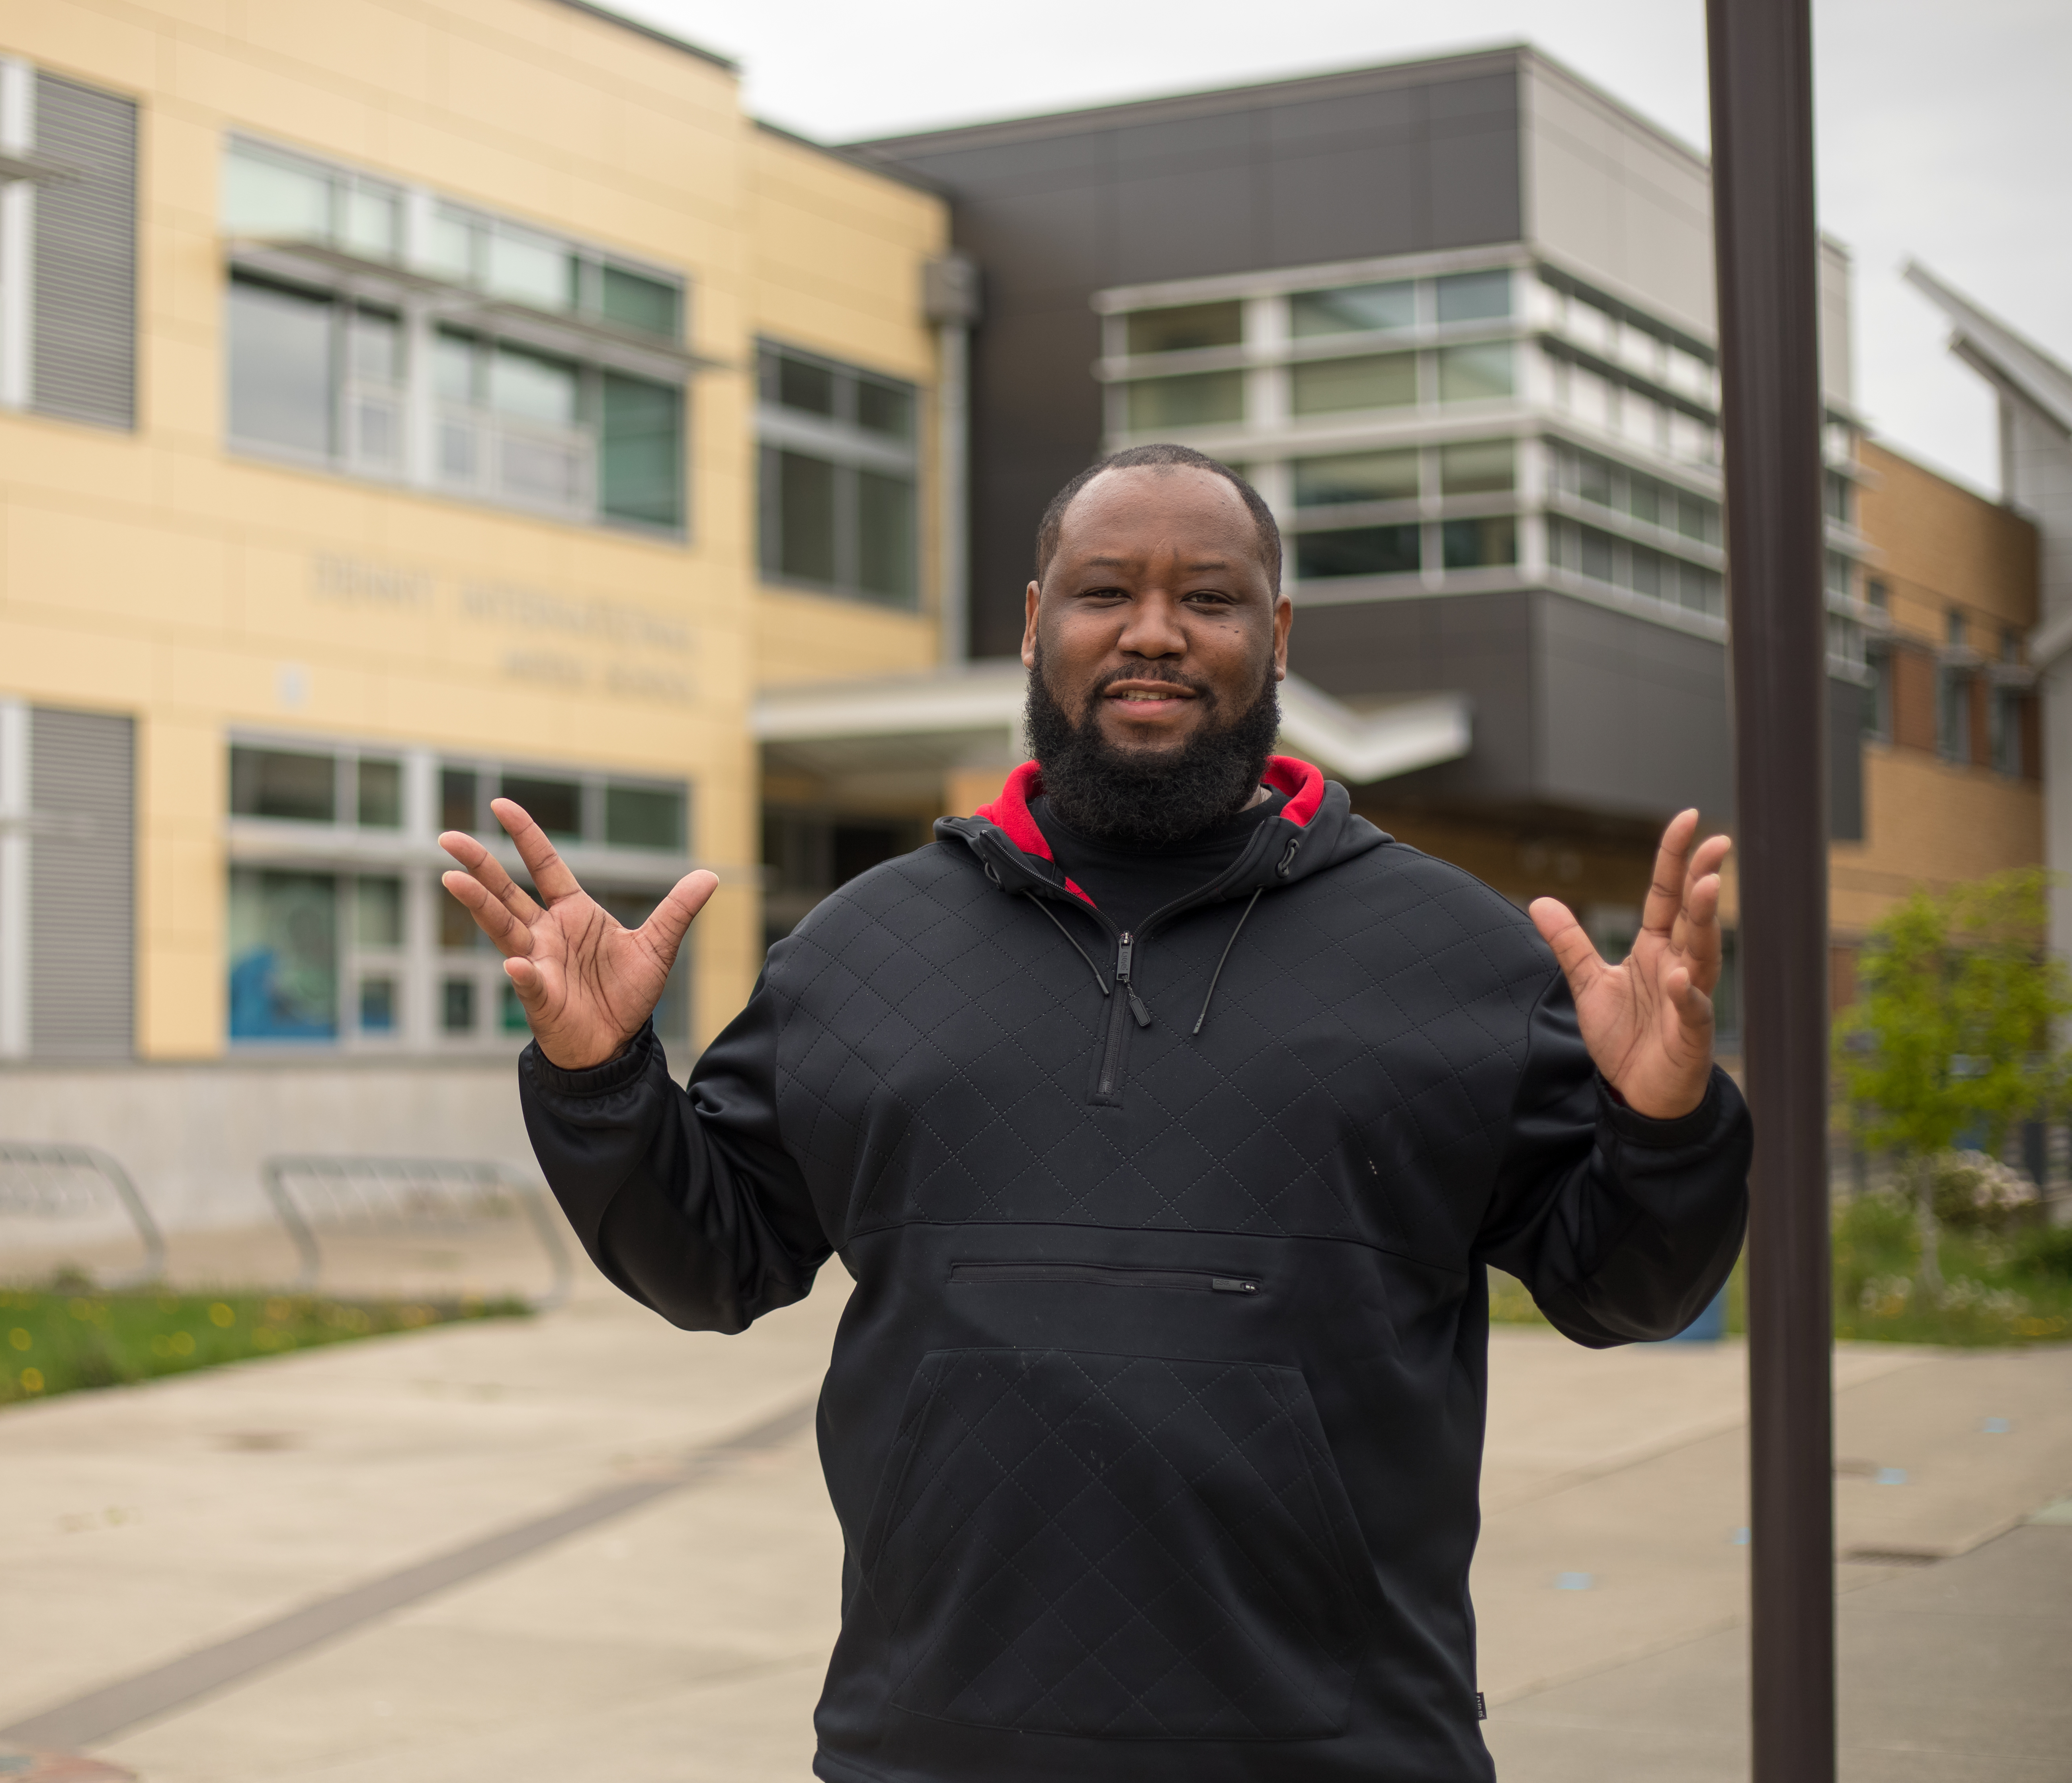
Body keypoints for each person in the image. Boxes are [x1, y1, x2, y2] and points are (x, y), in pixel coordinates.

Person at [438, 441, 1751, 1783]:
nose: (1155, 633)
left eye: (1210, 598)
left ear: (1279, 635)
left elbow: (1625, 1292)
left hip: (1343, 1750)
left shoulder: (1455, 955)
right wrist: (604, 1080)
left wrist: (1664, 1122)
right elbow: (711, 1262)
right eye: (1106, 591)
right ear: (1034, 624)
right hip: (931, 1747)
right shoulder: (864, 950)